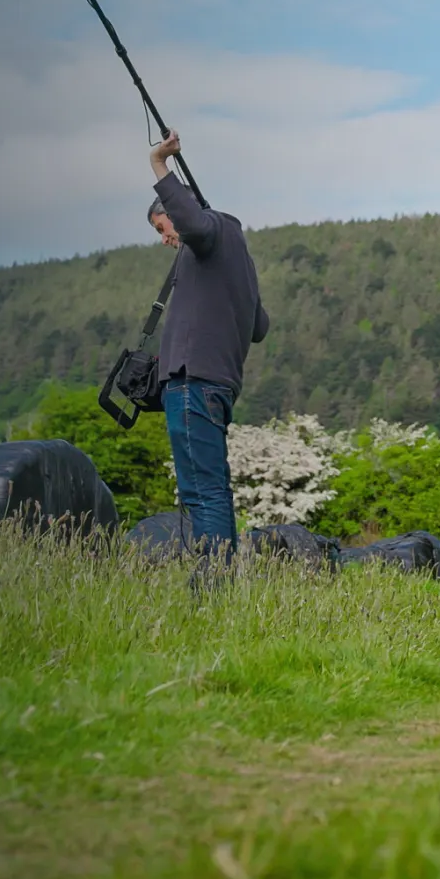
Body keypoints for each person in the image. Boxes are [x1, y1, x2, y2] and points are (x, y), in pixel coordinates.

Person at [145, 131, 270, 564]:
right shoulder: (238, 253)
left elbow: (194, 224)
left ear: (176, 214)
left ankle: (213, 585)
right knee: (210, 487)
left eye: (162, 228)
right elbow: (259, 326)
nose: (165, 239)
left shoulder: (208, 229)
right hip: (218, 385)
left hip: (193, 382)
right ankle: (214, 580)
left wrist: (159, 164)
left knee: (203, 491)